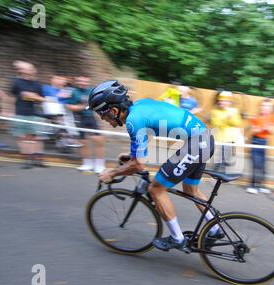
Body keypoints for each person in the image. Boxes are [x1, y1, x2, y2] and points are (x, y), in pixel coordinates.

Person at [88, 80, 221, 252]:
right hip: (205, 139)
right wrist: (132, 156)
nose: (104, 120)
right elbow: (147, 135)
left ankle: (177, 238)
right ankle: (216, 229)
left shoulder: (132, 121)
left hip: (195, 145)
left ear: (113, 111)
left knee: (156, 189)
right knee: (191, 191)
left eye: (103, 116)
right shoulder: (140, 106)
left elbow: (138, 166)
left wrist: (112, 173)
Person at [10, 61, 46, 169]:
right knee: (24, 137)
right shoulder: (16, 82)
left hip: (36, 114)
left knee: (37, 138)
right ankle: (27, 160)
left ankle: (38, 160)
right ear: (22, 71)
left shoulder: (37, 84)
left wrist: (36, 98)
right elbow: (18, 96)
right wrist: (9, 111)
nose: (31, 71)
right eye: (28, 69)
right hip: (21, 112)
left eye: (32, 69)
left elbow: (41, 99)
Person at [66, 76, 106, 173]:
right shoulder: (74, 92)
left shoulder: (92, 90)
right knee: (84, 143)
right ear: (77, 81)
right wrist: (83, 107)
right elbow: (69, 106)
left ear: (88, 82)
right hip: (80, 119)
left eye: (85, 81)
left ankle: (100, 165)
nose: (82, 83)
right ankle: (86, 164)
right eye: (80, 81)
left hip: (92, 118)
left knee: (99, 141)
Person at [246, 98, 274, 195]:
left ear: (271, 109)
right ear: (260, 107)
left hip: (264, 142)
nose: (266, 108)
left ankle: (261, 186)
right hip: (255, 141)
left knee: (263, 165)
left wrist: (269, 128)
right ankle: (252, 185)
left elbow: (273, 131)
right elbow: (252, 131)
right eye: (264, 106)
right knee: (256, 164)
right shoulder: (255, 117)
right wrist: (261, 128)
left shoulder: (273, 118)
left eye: (268, 107)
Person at [210, 91, 243, 172]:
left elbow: (237, 123)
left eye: (224, 101)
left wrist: (231, 117)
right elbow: (216, 123)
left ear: (229, 102)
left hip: (230, 139)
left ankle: (220, 174)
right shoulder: (215, 112)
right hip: (219, 139)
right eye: (220, 101)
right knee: (219, 158)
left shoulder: (234, 111)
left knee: (225, 158)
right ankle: (216, 174)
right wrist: (227, 118)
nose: (221, 102)